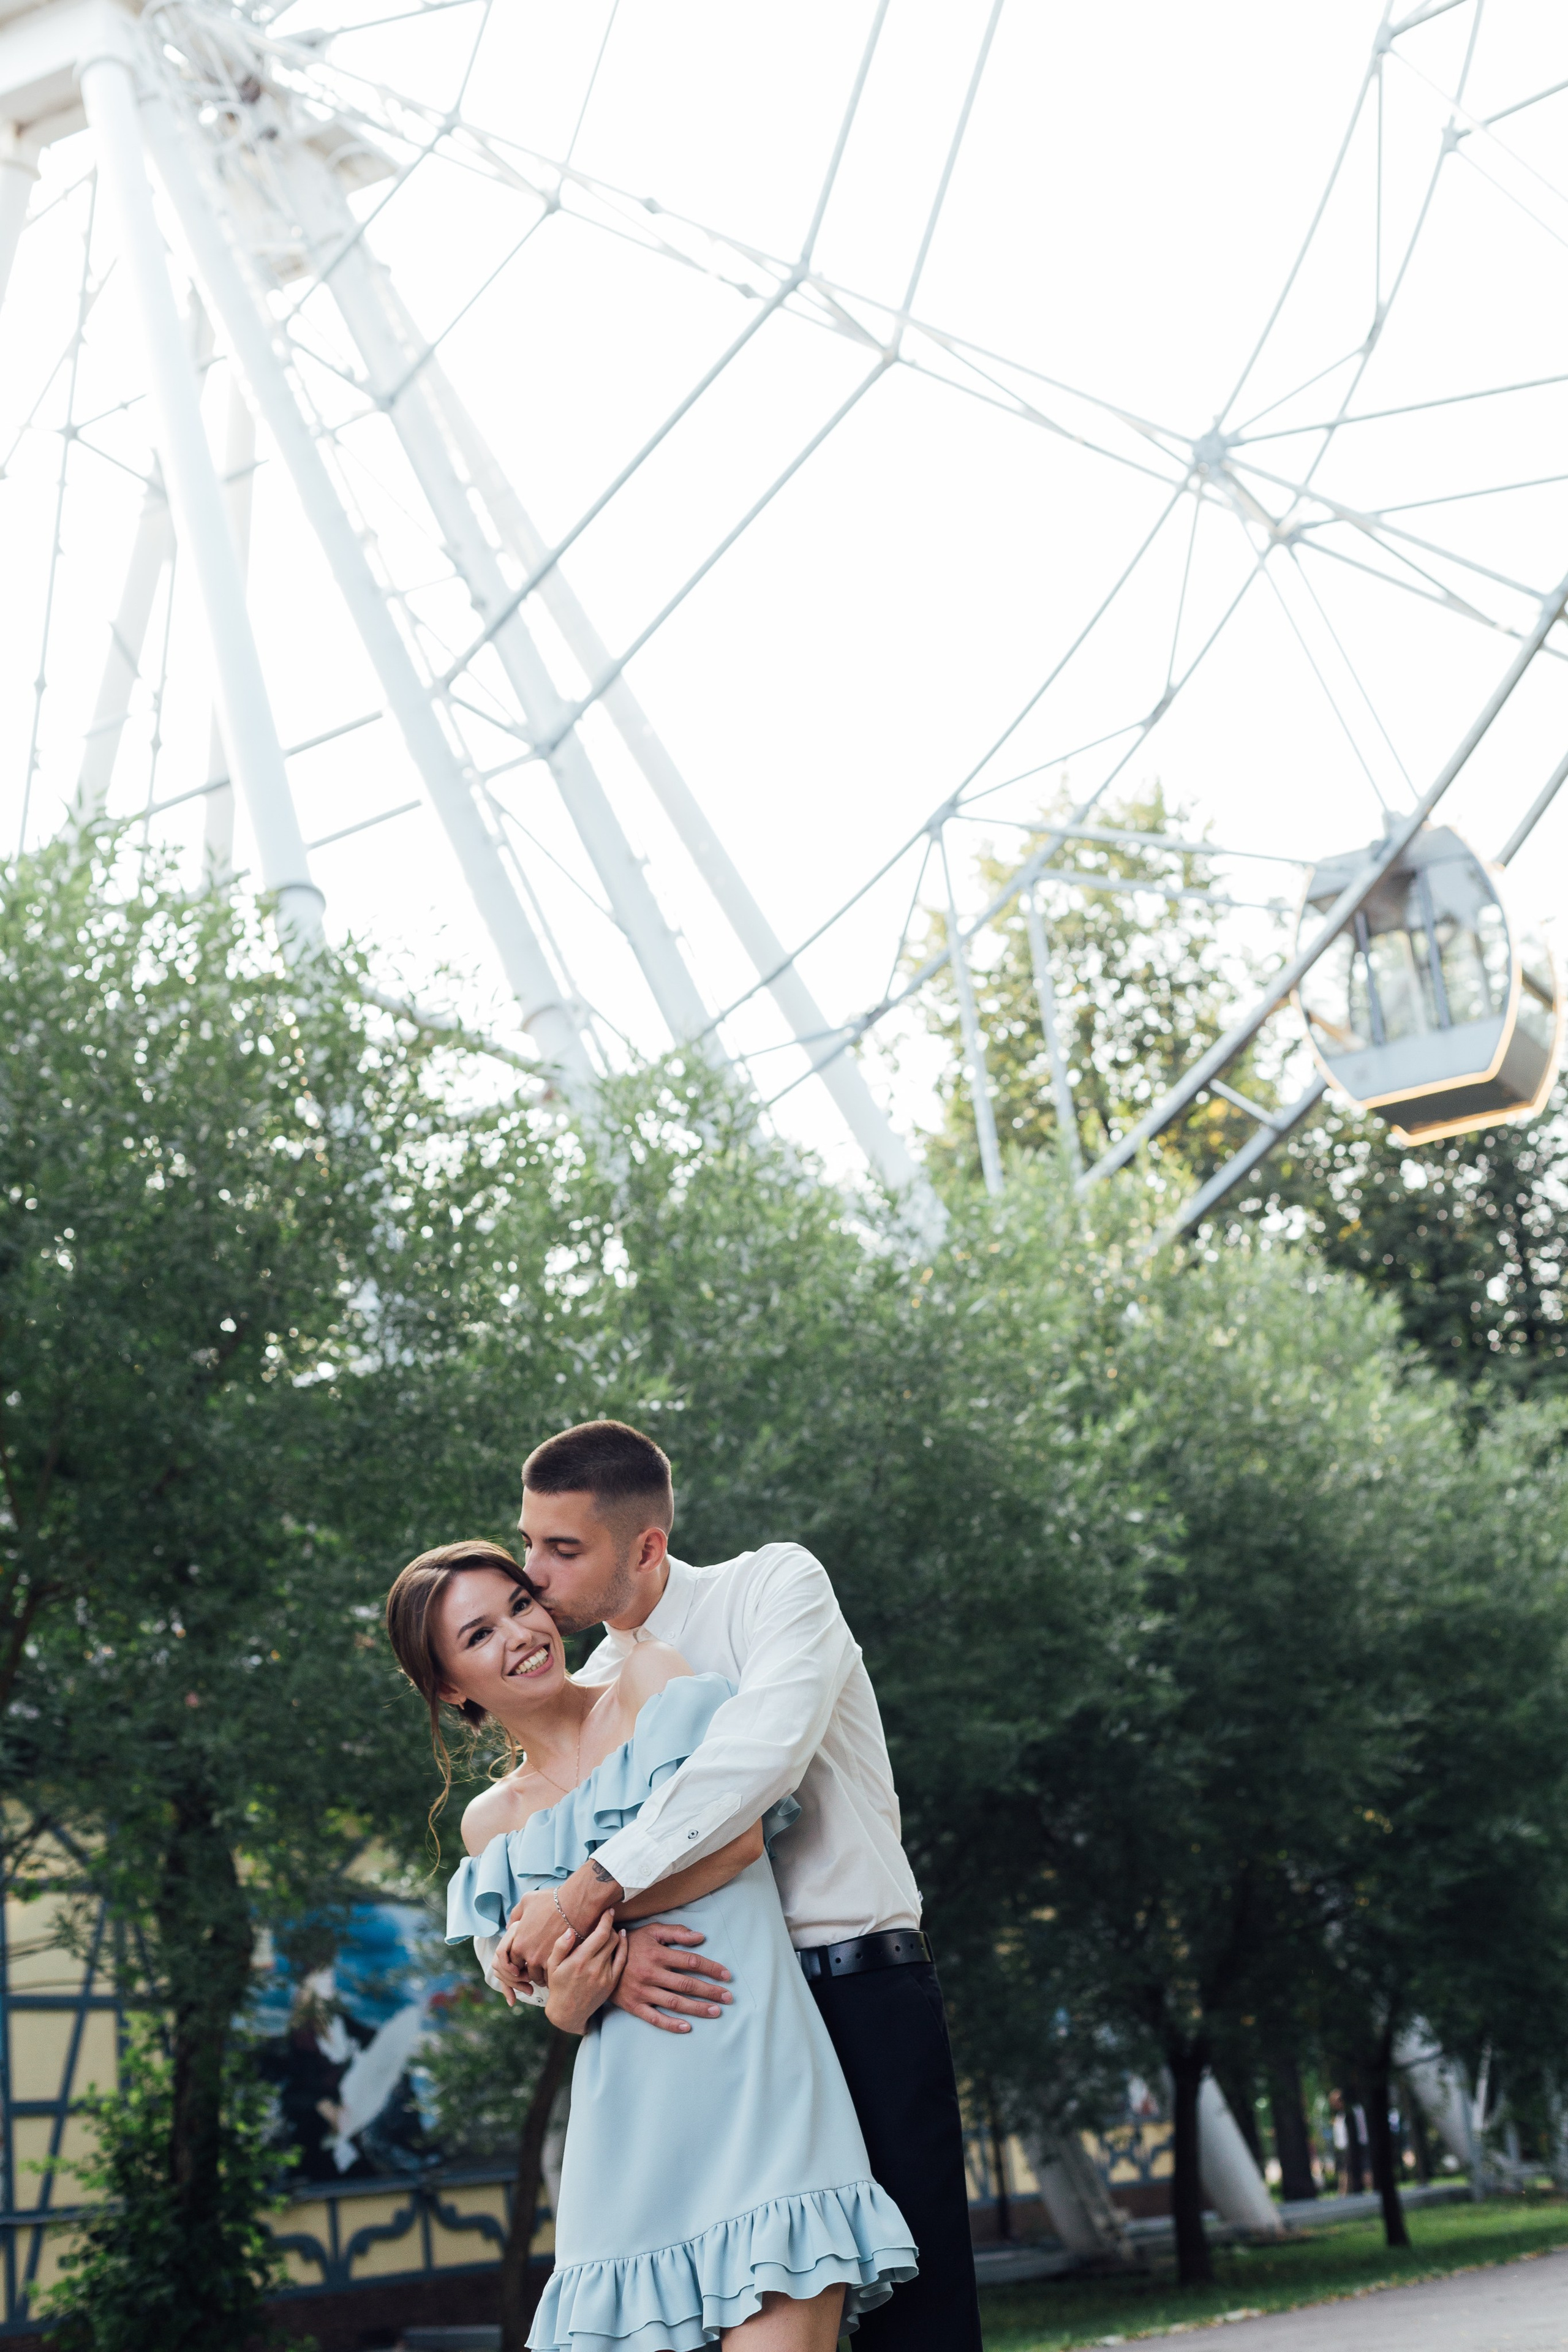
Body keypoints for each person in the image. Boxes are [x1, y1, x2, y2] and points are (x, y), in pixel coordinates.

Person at [495, 1419, 984, 2352]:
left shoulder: (775, 1586)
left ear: (646, 1545)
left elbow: (757, 1763)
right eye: (529, 1543)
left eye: (563, 1548)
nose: (536, 1574)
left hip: (855, 1991)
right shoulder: (594, 1688)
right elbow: (525, 1890)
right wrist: (562, 1983)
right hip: (710, 2030)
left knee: (917, 2331)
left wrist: (588, 1893)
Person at [385, 1535, 917, 2350]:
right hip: (625, 2136)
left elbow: (735, 1842)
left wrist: (576, 1919)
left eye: (520, 1605)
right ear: (451, 1686)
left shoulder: (647, 1681)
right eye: (479, 1635)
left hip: (760, 2090)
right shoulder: (490, 1822)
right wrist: (571, 1996)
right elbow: (535, 1983)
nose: (519, 1634)